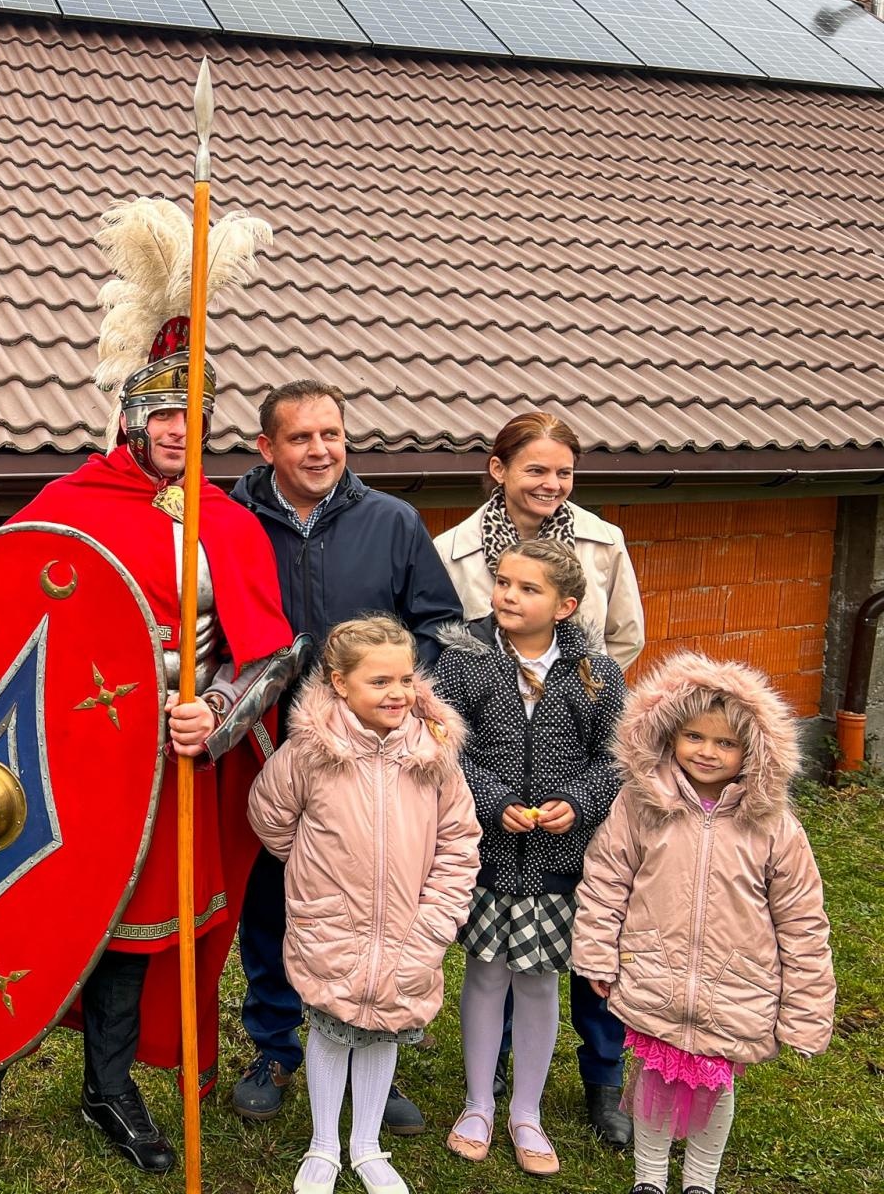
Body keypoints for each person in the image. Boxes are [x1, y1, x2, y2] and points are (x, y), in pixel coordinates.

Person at [0, 196, 299, 1194]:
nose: (179, 429)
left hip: (166, 762)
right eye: (161, 413)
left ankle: (107, 1087)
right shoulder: (68, 507)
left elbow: (271, 652)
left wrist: (214, 714)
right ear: (129, 417)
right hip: (51, 760)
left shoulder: (232, 522)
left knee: (133, 938)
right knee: (9, 924)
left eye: (193, 414)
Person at [228, 379, 463, 1131]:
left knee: (374, 910)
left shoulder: (392, 521)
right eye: (300, 438)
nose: (320, 449)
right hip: (271, 753)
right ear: (267, 448)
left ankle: (370, 1042)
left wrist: (389, 695)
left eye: (331, 433)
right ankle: (274, 1045)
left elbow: (438, 623)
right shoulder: (228, 523)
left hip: (373, 761)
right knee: (272, 900)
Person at [433, 411, 643, 1146]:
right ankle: (481, 1096)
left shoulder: (593, 662)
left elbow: (616, 744)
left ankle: (546, 1102)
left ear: (564, 604)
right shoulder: (464, 646)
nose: (551, 484)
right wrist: (489, 802)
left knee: (550, 974)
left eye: (564, 472)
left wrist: (580, 803)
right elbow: (449, 739)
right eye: (536, 469)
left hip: (560, 849)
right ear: (499, 469)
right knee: (486, 970)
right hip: (489, 842)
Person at [574, 652, 835, 1194]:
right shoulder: (642, 805)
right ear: (669, 734)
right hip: (654, 971)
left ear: (754, 751)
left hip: (734, 983)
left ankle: (701, 1180)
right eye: (694, 736)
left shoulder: (772, 824)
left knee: (713, 1088)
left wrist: (806, 1009)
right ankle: (648, 1178)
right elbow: (606, 879)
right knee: (655, 1080)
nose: (708, 752)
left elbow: (803, 919)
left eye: (725, 743)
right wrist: (597, 952)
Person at [249, 616, 479, 1194]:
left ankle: (367, 1145)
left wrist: (434, 921)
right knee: (331, 1026)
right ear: (339, 683)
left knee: (382, 1031)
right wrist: (314, 878)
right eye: (379, 682)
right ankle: (324, 1144)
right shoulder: (310, 753)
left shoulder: (434, 756)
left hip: (410, 927)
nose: (397, 693)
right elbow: (271, 817)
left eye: (405, 679)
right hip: (332, 923)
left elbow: (458, 844)